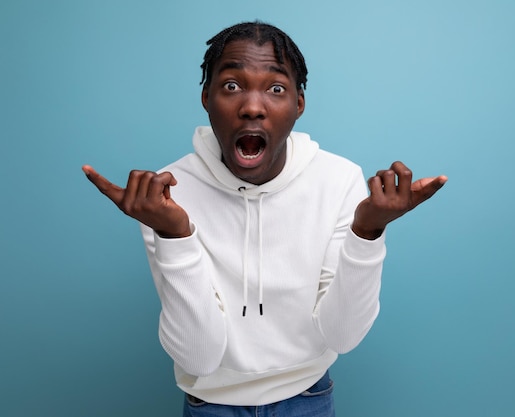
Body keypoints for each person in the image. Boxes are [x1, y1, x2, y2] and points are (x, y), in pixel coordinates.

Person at [83, 21, 447, 417]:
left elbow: (341, 337)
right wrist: (174, 235)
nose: (253, 106)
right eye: (232, 86)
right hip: (211, 406)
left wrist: (369, 231)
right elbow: (200, 357)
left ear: (299, 104)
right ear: (206, 98)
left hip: (308, 398)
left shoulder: (339, 179)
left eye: (275, 89)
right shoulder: (168, 194)